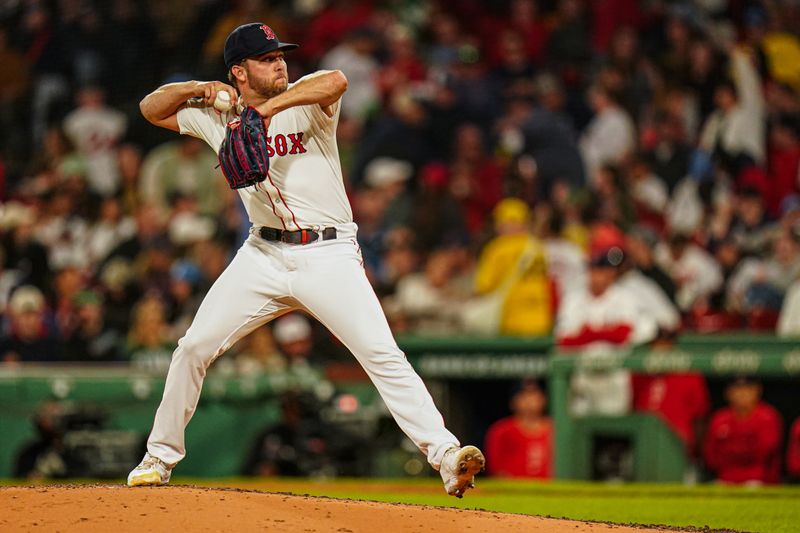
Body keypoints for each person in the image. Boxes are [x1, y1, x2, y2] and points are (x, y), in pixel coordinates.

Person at [126, 23, 484, 497]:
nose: (280, 63)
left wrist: (266, 109)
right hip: (262, 254)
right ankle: (159, 457)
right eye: (267, 58)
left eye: (280, 56)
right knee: (192, 347)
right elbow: (150, 109)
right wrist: (198, 89)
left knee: (381, 353)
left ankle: (445, 456)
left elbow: (336, 79)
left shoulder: (305, 100)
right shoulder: (216, 117)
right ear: (239, 71)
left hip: (327, 253)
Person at [703, 377, 782, 485]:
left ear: (758, 390)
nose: (742, 393)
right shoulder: (720, 418)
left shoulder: (767, 417)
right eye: (737, 388)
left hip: (760, 478)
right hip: (725, 478)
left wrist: (733, 451)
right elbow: (711, 456)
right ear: (728, 392)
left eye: (748, 388)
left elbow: (765, 454)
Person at [484, 379, 553, 479]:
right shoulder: (502, 430)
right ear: (513, 401)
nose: (529, 400)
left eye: (534, 394)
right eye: (523, 395)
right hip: (513, 490)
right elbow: (495, 469)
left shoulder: (556, 429)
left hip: (551, 490)